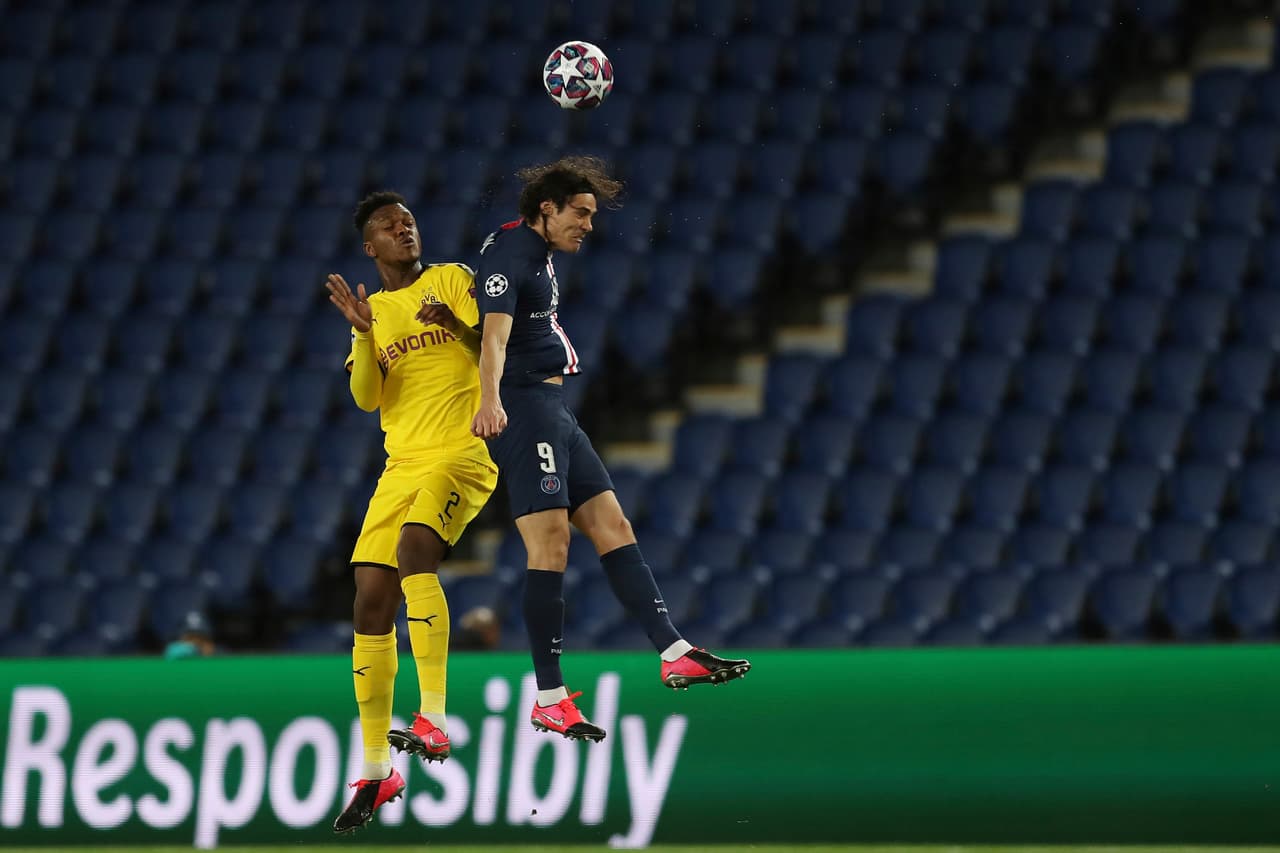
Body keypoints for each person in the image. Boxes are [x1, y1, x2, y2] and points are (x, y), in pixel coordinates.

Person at [473, 156, 751, 743]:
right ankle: (549, 694)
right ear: (546, 209)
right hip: (524, 409)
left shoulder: (530, 250)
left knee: (613, 524)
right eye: (580, 213)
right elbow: (494, 337)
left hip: (554, 411)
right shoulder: (513, 257)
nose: (588, 225)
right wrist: (490, 400)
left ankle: (673, 650)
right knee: (551, 543)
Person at [325, 191, 498, 834]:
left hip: (462, 452)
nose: (405, 228)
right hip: (401, 467)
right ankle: (375, 770)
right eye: (388, 225)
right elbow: (368, 398)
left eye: (410, 221)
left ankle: (433, 716)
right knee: (370, 597)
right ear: (370, 247)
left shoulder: (454, 280)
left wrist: (452, 325)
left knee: (414, 554)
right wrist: (362, 333)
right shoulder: (374, 312)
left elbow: (496, 342)